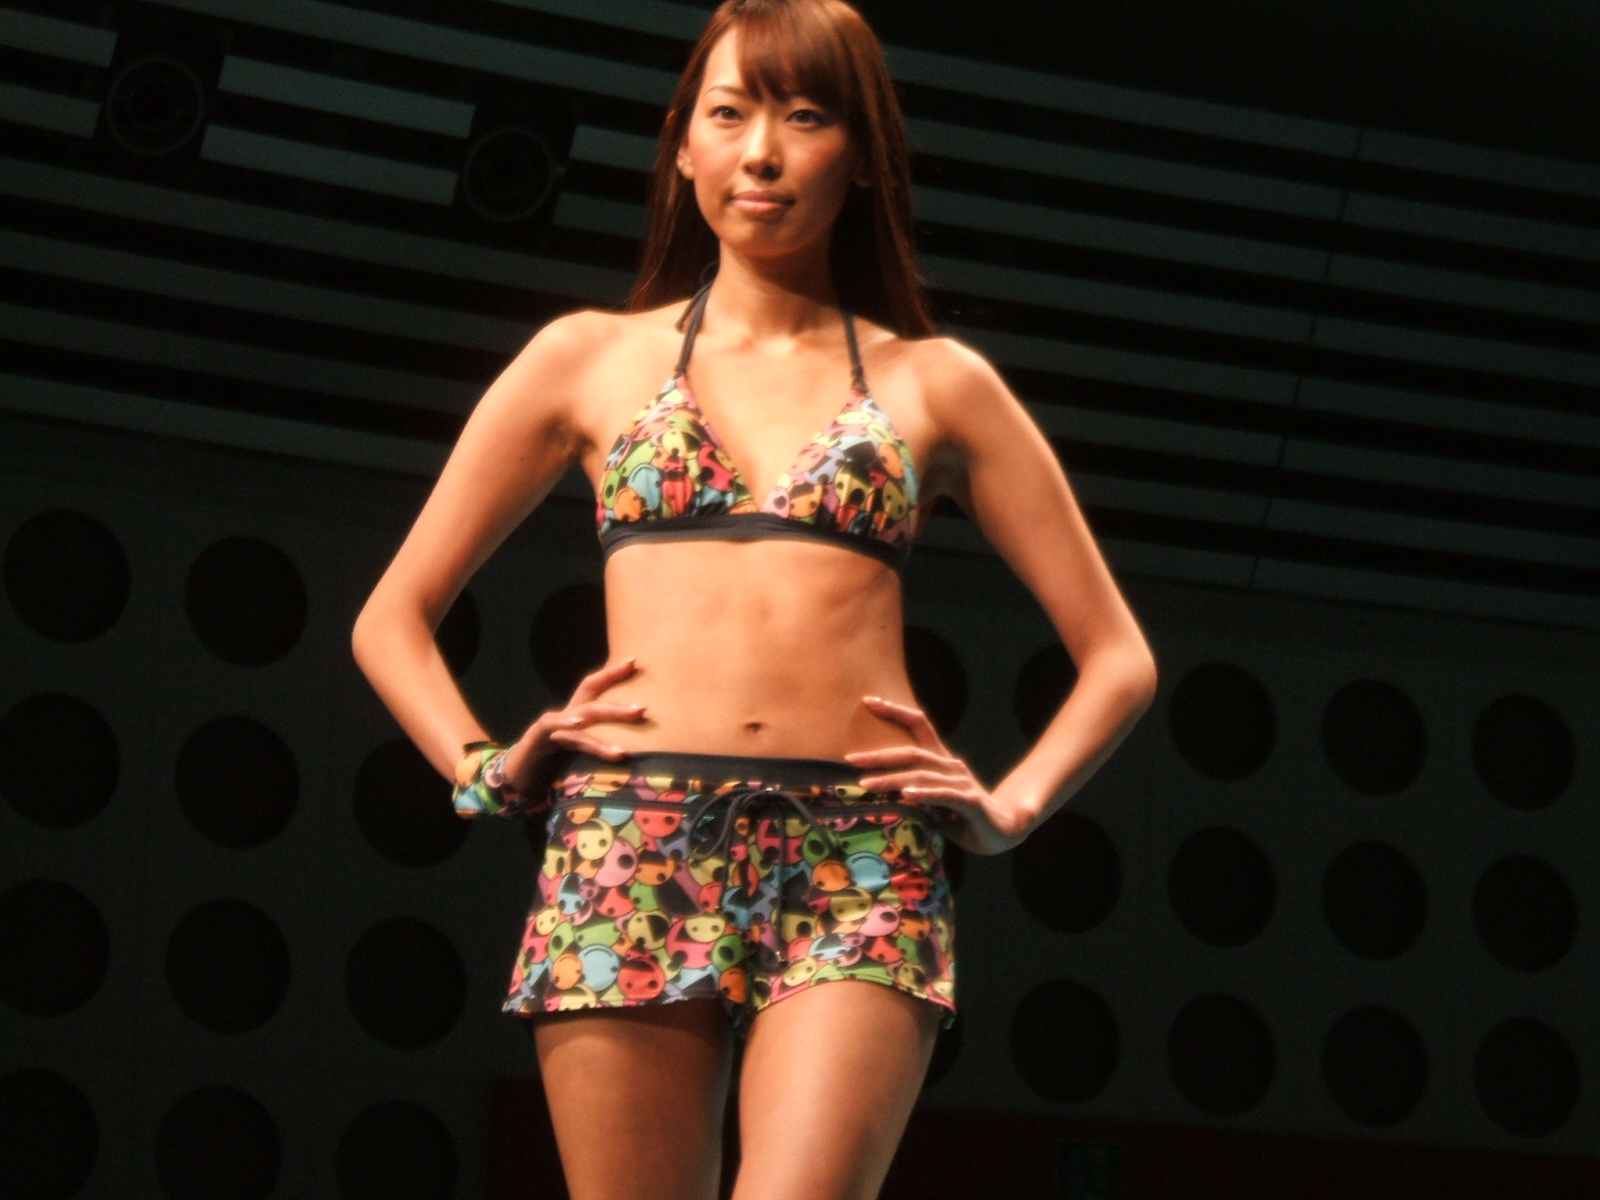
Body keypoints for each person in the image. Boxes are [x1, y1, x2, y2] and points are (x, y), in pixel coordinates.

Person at [351, 1, 1157, 1196]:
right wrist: (485, 770)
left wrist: (1010, 811)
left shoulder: (938, 382)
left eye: (806, 117)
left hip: (859, 850)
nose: (762, 152)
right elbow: (390, 618)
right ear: (683, 147)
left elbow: (1118, 657)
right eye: (729, 115)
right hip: (631, 837)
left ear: (864, 157)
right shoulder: (586, 357)